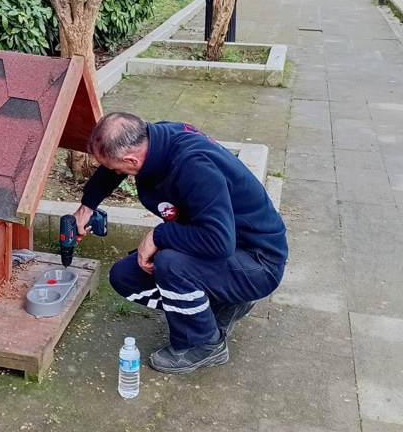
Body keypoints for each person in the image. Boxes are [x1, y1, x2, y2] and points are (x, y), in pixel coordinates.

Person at [73, 112, 288, 374]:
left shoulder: (194, 167)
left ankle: (204, 345)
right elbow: (112, 169)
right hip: (227, 249)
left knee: (170, 264)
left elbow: (219, 241)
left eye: (117, 167)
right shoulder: (155, 139)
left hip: (257, 262)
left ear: (132, 159)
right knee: (125, 277)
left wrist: (159, 236)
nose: (115, 173)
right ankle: (226, 302)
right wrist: (87, 206)